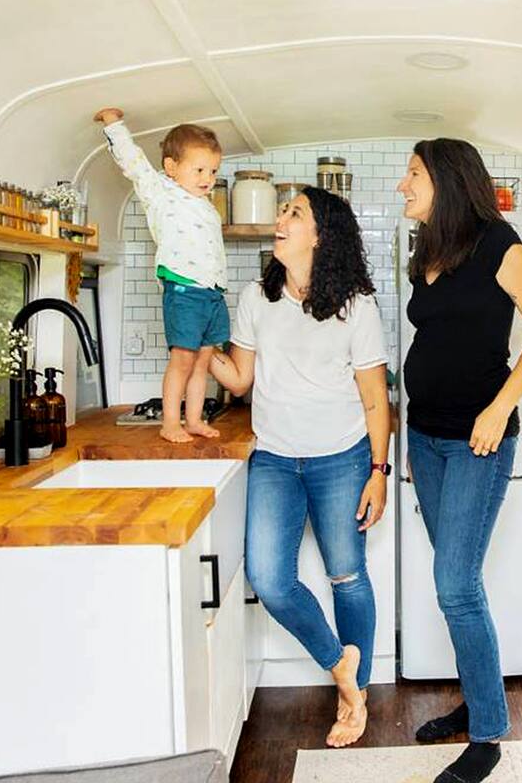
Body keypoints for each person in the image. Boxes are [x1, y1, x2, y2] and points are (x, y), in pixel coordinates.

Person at [397, 139, 522, 783]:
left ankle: (489, 734)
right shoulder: (425, 252)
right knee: (458, 582)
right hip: (426, 438)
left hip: (478, 441)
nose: (402, 186)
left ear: (444, 178)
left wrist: (497, 408)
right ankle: (480, 696)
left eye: (412, 174)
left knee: (454, 585)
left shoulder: (500, 242)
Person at [209, 186, 390, 748]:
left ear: (321, 235)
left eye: (294, 213)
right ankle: (344, 669)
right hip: (275, 460)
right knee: (268, 578)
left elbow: (376, 399)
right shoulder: (254, 298)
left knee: (348, 576)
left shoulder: (356, 305)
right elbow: (240, 380)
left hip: (343, 456)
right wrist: (194, 346)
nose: (280, 220)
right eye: (282, 210)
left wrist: (378, 471)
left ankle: (350, 701)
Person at [95, 106, 227, 443]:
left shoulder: (207, 206)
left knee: (203, 362)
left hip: (212, 293)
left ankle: (194, 419)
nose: (207, 178)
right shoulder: (161, 194)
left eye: (212, 170)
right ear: (171, 167)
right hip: (183, 290)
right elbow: (133, 161)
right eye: (199, 169)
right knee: (182, 359)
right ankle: (170, 422)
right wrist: (114, 124)